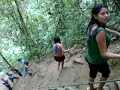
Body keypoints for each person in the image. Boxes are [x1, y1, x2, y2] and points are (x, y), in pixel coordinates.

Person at [85, 3, 120, 90]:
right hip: (98, 60)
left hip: (90, 57)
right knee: (106, 73)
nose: (106, 15)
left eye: (107, 12)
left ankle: (91, 87)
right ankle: (100, 88)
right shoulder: (100, 31)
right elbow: (104, 54)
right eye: (103, 13)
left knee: (92, 73)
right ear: (95, 16)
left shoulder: (91, 26)